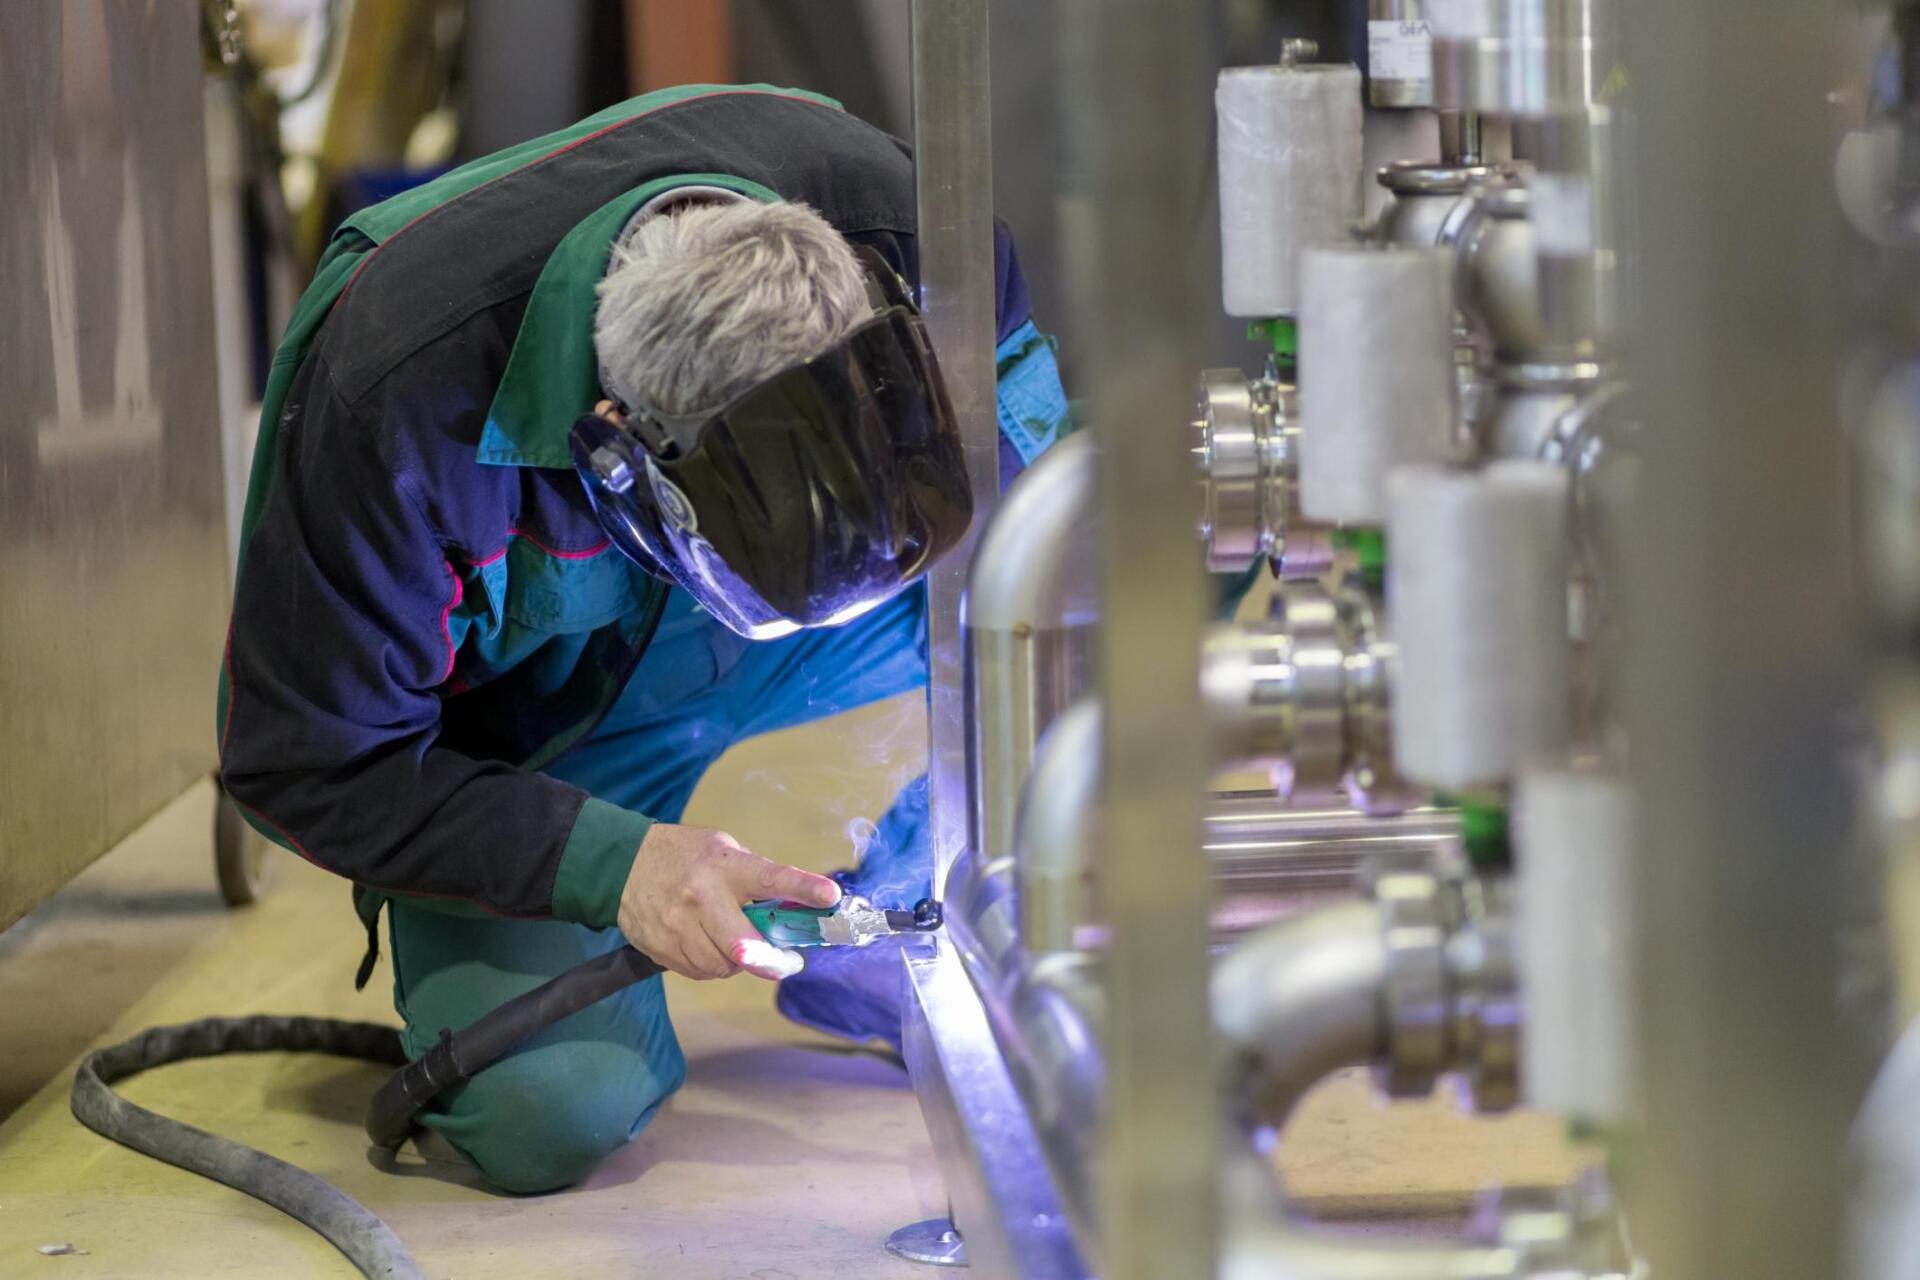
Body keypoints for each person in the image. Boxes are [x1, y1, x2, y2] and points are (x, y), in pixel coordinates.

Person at [217, 84, 1068, 1194]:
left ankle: (905, 909)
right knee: (547, 1115)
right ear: (618, 448)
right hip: (546, 726)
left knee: (1141, 545)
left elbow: (1046, 510)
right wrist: (619, 864)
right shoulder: (397, 401)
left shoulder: (918, 233)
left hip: (820, 625)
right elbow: (308, 759)